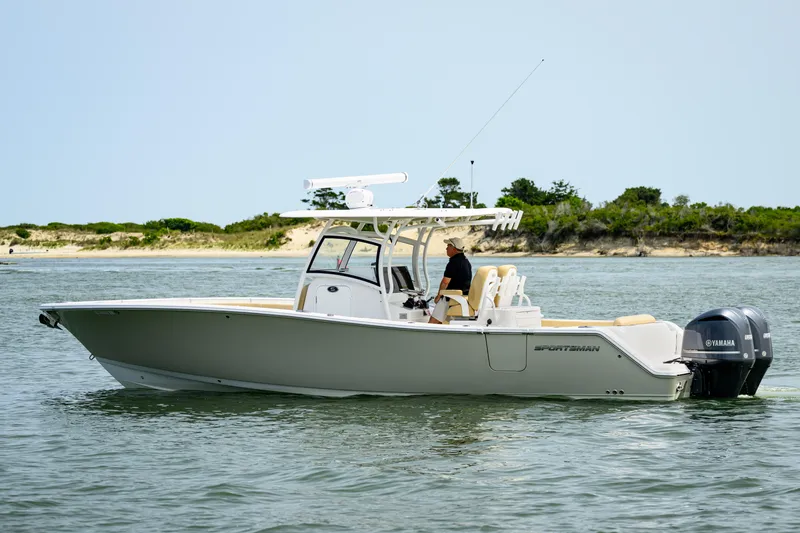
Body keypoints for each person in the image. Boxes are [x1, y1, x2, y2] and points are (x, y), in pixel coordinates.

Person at [428, 237, 472, 324]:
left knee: (432, 323)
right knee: (442, 323)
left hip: (450, 297)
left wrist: (438, 296)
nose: (446, 248)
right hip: (463, 295)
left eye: (448, 246)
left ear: (454, 248)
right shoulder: (466, 261)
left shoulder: (453, 262)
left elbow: (445, 282)